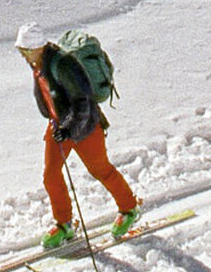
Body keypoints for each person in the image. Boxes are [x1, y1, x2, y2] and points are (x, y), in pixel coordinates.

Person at [15, 22, 140, 250]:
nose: (22, 55)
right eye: (20, 50)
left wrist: (70, 129)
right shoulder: (38, 63)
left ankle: (129, 208)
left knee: (100, 170)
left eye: (25, 50)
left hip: (83, 127)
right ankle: (64, 224)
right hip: (59, 126)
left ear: (37, 47)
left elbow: (82, 101)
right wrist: (57, 122)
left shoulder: (63, 64)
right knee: (51, 175)